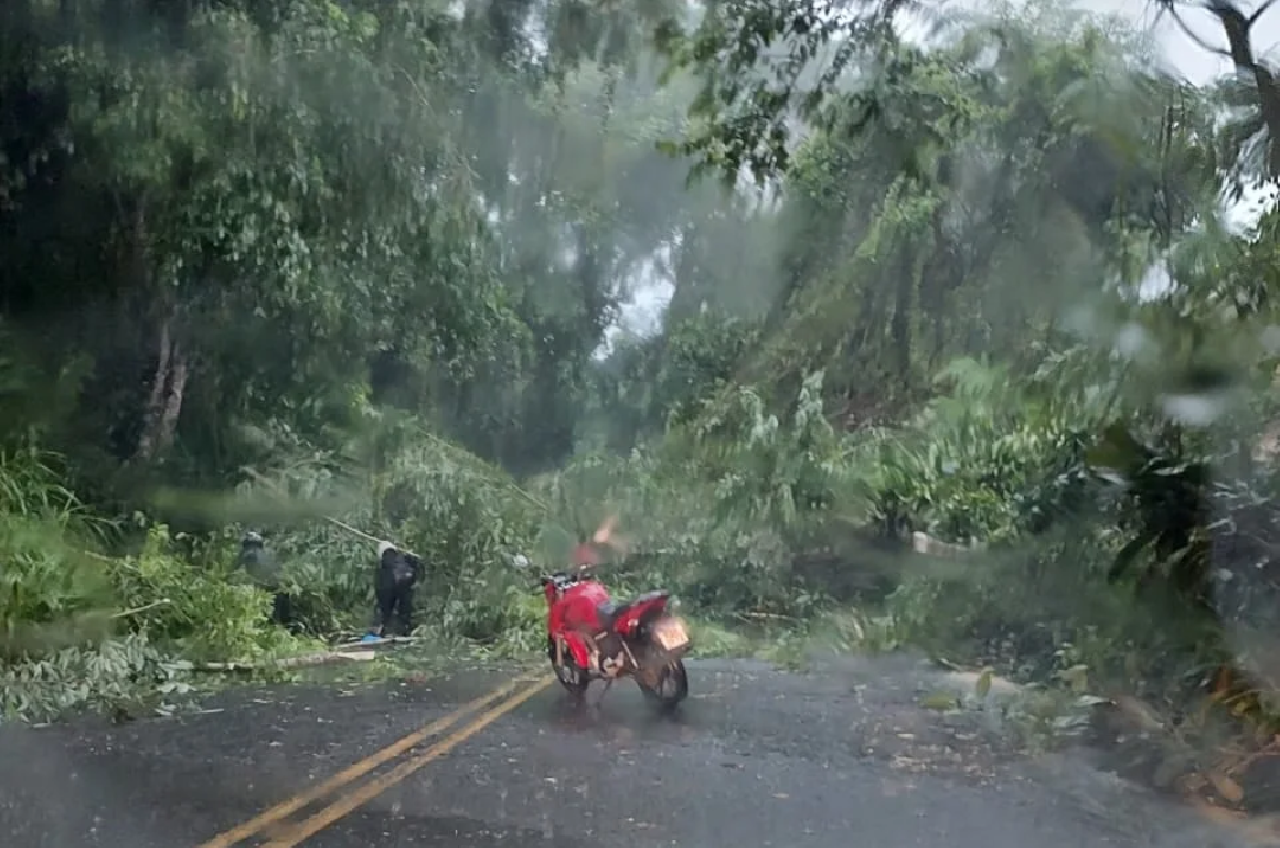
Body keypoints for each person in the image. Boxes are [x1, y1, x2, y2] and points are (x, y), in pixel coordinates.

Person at [362, 540, 423, 642]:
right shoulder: (404, 558)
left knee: (384, 611)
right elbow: (416, 569)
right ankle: (405, 631)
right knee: (404, 610)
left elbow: (381, 588)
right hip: (406, 585)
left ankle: (382, 632)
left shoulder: (384, 565)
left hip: (389, 587)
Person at [239, 531, 292, 629]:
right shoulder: (267, 554)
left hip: (262, 589)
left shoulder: (247, 552)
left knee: (266, 619)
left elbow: (235, 570)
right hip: (279, 588)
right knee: (279, 620)